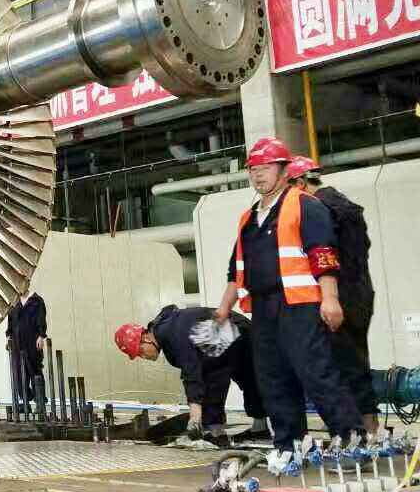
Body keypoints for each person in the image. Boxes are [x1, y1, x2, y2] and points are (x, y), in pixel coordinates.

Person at [215, 137, 361, 453]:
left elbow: (323, 254)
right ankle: (289, 446)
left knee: (316, 372)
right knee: (273, 378)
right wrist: (224, 308)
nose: (258, 174)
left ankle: (351, 440)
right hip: (262, 309)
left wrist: (330, 298)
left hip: (301, 305)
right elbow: (236, 268)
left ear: (284, 170)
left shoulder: (305, 205)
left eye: (266, 167)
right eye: (253, 168)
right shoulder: (248, 218)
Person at [289, 156, 379, 433]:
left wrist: (328, 297)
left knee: (336, 366)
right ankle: (369, 427)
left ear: (300, 183)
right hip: (360, 292)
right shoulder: (347, 207)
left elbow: (323, 254)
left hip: (337, 294)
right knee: (356, 359)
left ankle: (354, 435)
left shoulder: (319, 209)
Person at [115, 305, 268, 444]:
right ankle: (259, 429)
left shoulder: (171, 334)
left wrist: (195, 417)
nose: (143, 357)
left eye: (140, 352)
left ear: (146, 338)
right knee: (247, 378)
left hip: (234, 330)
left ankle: (216, 434)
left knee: (214, 374)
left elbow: (191, 372)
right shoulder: (165, 329)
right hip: (237, 330)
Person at [5, 292, 47, 409]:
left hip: (32, 342)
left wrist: (41, 336)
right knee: (19, 374)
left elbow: (41, 319)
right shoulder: (14, 302)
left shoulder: (37, 301)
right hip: (17, 343)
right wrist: (8, 337)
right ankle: (25, 402)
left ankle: (40, 402)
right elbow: (10, 322)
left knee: (35, 370)